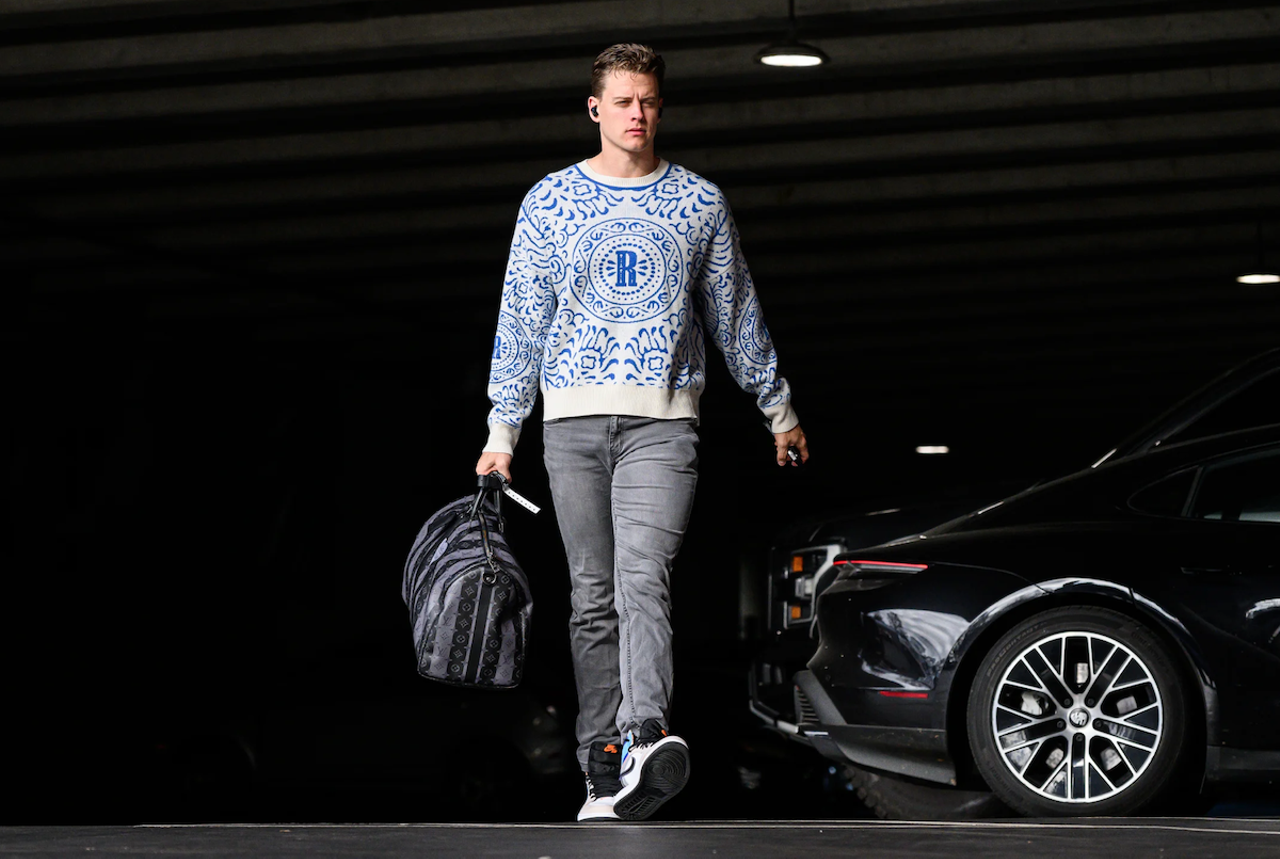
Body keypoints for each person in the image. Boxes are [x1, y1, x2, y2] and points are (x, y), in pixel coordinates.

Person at [474, 43, 809, 822]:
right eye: (623, 101)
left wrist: (777, 407)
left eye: (649, 101)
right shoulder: (550, 203)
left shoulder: (698, 202)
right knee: (591, 597)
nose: (637, 114)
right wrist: (502, 430)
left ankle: (646, 732)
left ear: (663, 107)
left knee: (641, 578)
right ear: (595, 108)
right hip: (571, 424)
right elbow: (521, 320)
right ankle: (602, 767)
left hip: (664, 423)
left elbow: (733, 311)